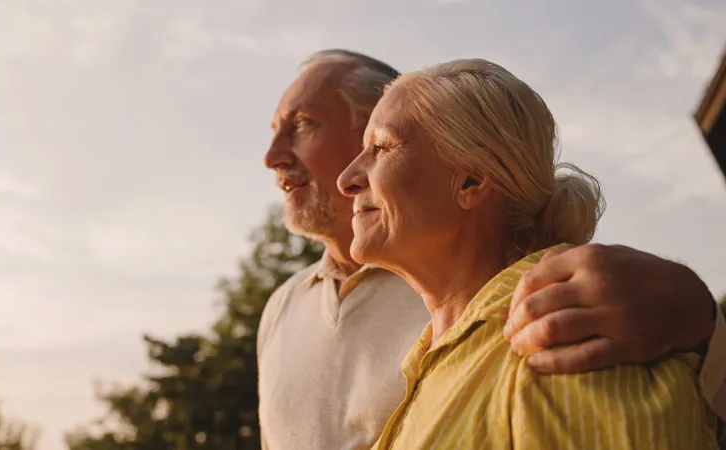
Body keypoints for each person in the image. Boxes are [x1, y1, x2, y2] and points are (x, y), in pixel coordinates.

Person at [258, 49, 726, 450]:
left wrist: (699, 315)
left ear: (471, 179)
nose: (348, 178)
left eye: (379, 145)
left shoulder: (560, 326)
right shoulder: (285, 314)